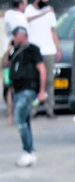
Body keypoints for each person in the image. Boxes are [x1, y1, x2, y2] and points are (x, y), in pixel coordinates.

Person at [3, 25, 44, 167]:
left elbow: (41, 69)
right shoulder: (15, 52)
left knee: (19, 119)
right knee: (24, 121)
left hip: (28, 89)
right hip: (17, 90)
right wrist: (9, 50)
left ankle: (27, 151)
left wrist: (41, 91)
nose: (13, 38)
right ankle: (30, 152)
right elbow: (4, 64)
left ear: (23, 35)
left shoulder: (32, 50)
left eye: (15, 35)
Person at [25, 0, 58, 118]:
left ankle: (50, 109)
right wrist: (43, 13)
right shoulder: (28, 10)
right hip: (34, 50)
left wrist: (57, 48)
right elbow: (27, 20)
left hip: (49, 50)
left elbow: (53, 30)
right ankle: (33, 109)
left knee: (49, 81)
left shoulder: (50, 11)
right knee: (34, 80)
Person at [3, 0, 29, 126]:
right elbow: (24, 36)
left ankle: (10, 115)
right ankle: (22, 112)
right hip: (18, 54)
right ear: (20, 4)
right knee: (22, 84)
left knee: (9, 85)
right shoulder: (21, 18)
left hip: (6, 54)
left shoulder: (8, 14)